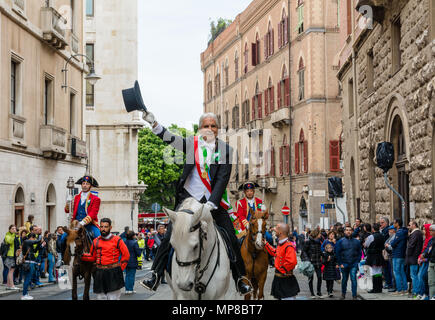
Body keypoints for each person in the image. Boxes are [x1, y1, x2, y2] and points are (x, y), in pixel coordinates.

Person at [140, 111, 252, 295]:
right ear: (200, 129)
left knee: (231, 238)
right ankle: (155, 274)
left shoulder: (226, 150)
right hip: (188, 200)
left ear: (217, 129)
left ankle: (240, 278)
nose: (209, 129)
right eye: (206, 126)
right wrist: (154, 124)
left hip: (212, 203)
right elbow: (171, 139)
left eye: (213, 126)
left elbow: (222, 179)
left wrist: (211, 203)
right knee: (170, 235)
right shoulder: (191, 144)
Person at [82, 218, 130, 300]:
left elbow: (126, 255)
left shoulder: (117, 239)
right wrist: (81, 256)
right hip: (99, 272)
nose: (103, 229)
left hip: (113, 272)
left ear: (110, 228)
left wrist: (120, 269)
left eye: (106, 227)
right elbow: (92, 257)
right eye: (101, 227)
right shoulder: (95, 241)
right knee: (101, 297)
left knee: (113, 298)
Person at [263, 223, 300, 300]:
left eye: (276, 228)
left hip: (285, 280)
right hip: (279, 279)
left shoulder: (288, 246)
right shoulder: (281, 244)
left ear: (280, 232)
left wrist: (281, 270)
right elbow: (275, 252)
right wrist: (266, 244)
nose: (274, 230)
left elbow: (292, 262)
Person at [64, 175, 101, 239]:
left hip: (89, 225)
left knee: (99, 238)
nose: (85, 185)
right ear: (81, 185)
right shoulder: (76, 197)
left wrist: (82, 223)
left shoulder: (95, 199)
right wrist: (68, 203)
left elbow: (93, 214)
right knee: (62, 238)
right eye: (83, 183)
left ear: (90, 186)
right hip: (75, 224)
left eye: (87, 184)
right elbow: (67, 210)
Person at [335, 226, 362, 300]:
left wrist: (357, 261)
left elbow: (360, 252)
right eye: (347, 230)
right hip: (344, 264)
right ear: (344, 231)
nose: (348, 231)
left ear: (352, 231)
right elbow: (337, 253)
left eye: (350, 230)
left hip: (353, 264)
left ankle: (354, 295)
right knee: (344, 280)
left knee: (353, 279)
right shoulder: (340, 241)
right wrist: (340, 263)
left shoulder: (357, 241)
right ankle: (343, 294)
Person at [387, 218, 408, 296]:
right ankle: (405, 289)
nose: (393, 224)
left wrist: (389, 244)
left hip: (397, 254)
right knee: (402, 272)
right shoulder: (403, 231)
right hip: (401, 254)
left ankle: (399, 290)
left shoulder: (399, 233)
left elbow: (393, 244)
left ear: (398, 224)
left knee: (396, 272)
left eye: (394, 223)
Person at [21, 233, 45, 300]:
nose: (34, 239)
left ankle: (25, 293)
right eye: (34, 238)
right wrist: (41, 238)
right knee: (27, 279)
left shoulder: (29, 244)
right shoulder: (26, 241)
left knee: (28, 279)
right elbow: (36, 241)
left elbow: (34, 250)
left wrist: (41, 245)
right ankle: (24, 295)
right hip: (28, 263)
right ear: (31, 237)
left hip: (31, 262)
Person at [301, 229, 323, 298]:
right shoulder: (308, 242)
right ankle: (312, 293)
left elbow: (319, 251)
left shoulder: (318, 242)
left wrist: (325, 255)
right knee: (311, 278)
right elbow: (303, 251)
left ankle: (319, 292)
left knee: (319, 277)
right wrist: (307, 260)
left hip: (318, 262)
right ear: (316, 234)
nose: (320, 235)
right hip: (310, 263)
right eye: (319, 234)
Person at [364, 223, 385, 293]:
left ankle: (375, 288)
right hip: (379, 255)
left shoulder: (371, 236)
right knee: (379, 272)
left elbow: (366, 245)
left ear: (373, 229)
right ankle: (379, 288)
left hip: (373, 256)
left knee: (374, 272)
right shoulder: (382, 236)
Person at [405, 220, 423, 299]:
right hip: (413, 257)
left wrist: (407, 254)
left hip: (413, 257)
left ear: (414, 225)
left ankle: (416, 291)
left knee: (414, 276)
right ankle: (415, 291)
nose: (409, 226)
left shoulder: (416, 233)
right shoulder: (415, 233)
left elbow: (411, 246)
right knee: (414, 275)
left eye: (410, 225)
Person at [416, 224, 433, 300]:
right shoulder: (427, 239)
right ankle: (422, 293)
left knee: (424, 277)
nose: (424, 231)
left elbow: (429, 252)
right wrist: (421, 257)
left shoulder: (431, 239)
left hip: (427, 261)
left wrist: (423, 258)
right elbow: (425, 250)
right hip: (424, 260)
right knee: (421, 277)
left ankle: (425, 293)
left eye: (424, 229)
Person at [4, 225, 20, 291]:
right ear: (9, 229)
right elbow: (10, 241)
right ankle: (12, 285)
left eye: (15, 229)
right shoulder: (7, 235)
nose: (14, 230)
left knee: (10, 271)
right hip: (10, 255)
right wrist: (14, 234)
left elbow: (18, 244)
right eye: (12, 228)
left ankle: (8, 285)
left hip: (14, 255)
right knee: (11, 271)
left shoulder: (15, 236)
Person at [422, 225, 435, 300]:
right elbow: (428, 250)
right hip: (431, 262)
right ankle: (431, 296)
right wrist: (424, 255)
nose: (429, 232)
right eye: (429, 230)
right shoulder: (431, 240)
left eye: (431, 230)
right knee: (430, 281)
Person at [384, 225, 397, 292]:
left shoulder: (394, 236)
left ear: (393, 230)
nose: (389, 231)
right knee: (392, 271)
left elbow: (391, 246)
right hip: (390, 255)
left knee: (394, 271)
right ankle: (393, 285)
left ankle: (395, 286)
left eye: (390, 230)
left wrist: (387, 246)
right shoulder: (390, 237)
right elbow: (386, 243)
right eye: (388, 230)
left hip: (392, 255)